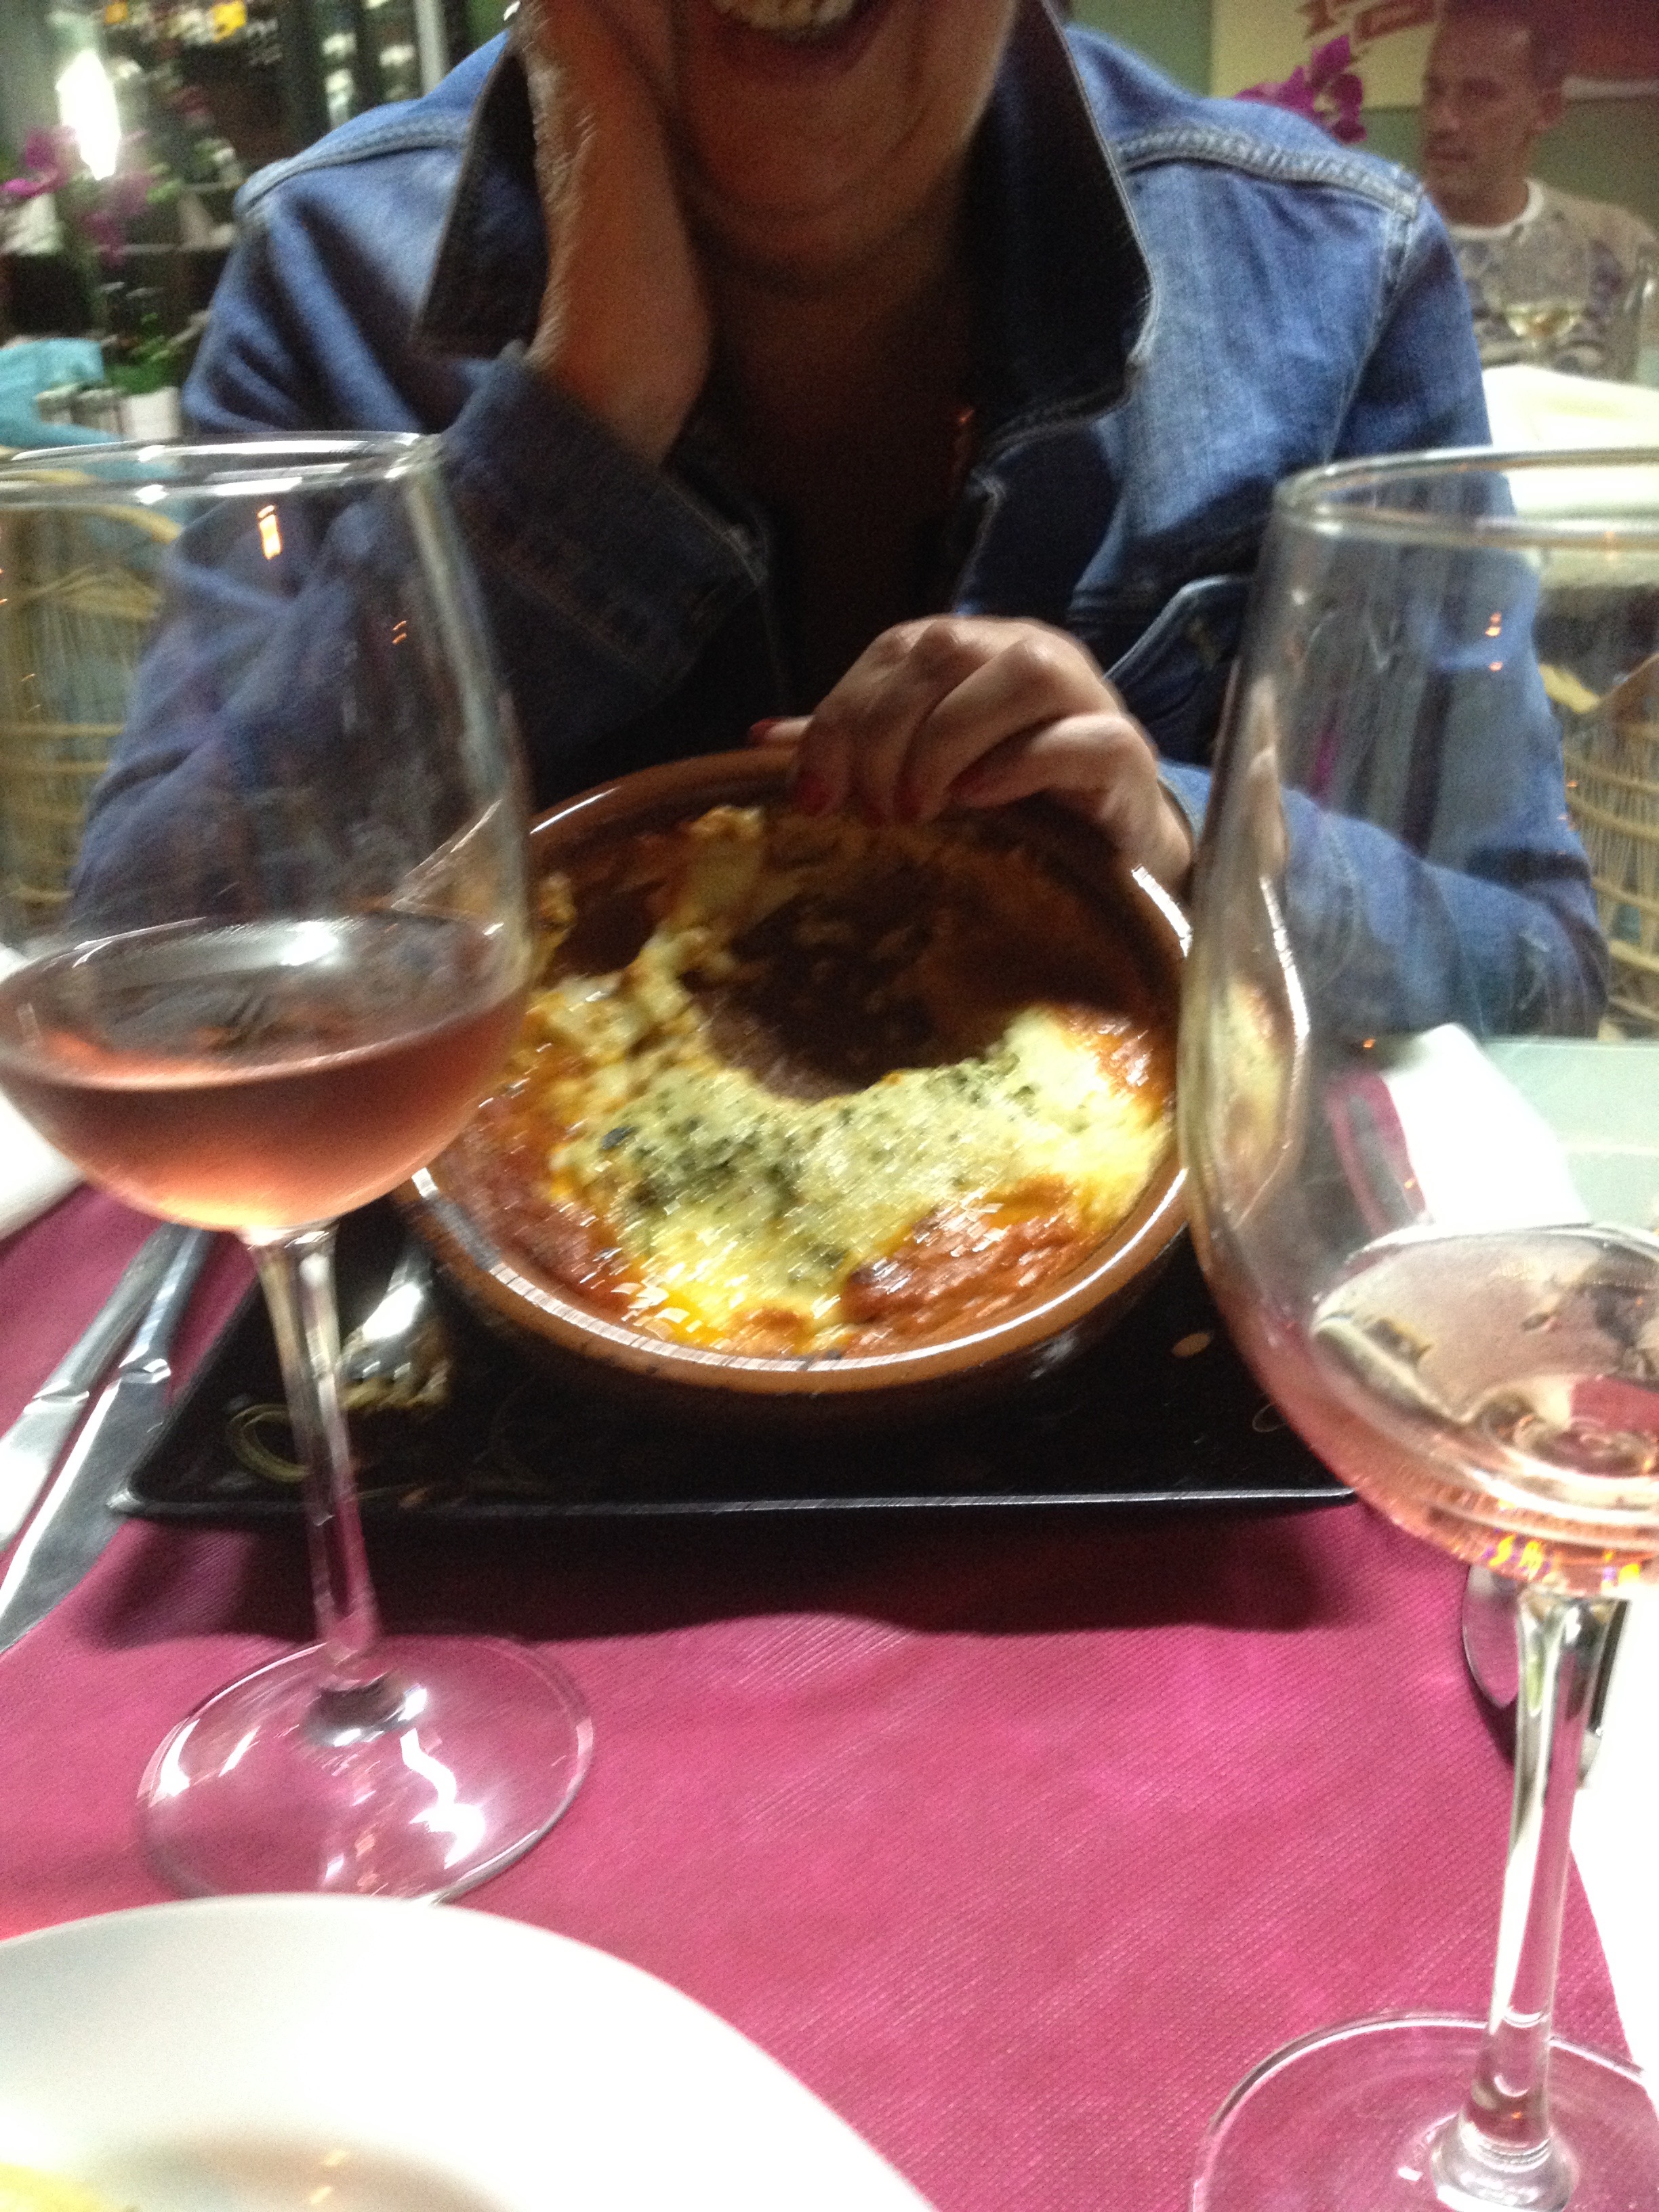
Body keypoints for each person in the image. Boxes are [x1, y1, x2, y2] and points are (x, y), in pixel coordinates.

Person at [128, 0, 1599, 1033]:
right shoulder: (325, 272)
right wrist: (580, 421)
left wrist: (1181, 842)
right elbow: (156, 977)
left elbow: (1533, 967)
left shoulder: (1338, 267)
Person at [1420, 0, 1658, 375]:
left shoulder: (1619, 243)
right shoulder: (1377, 246)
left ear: (1546, 110)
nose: (1442, 122)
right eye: (1434, 91)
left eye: (1478, 94)